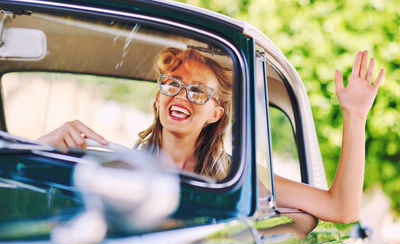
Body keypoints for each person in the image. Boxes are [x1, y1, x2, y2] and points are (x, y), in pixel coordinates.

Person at [37, 48, 385, 224]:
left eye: (198, 92)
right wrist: (42, 151)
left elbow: (341, 209)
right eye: (172, 84)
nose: (181, 96)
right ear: (158, 98)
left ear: (215, 114)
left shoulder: (241, 179)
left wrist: (354, 116)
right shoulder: (113, 165)